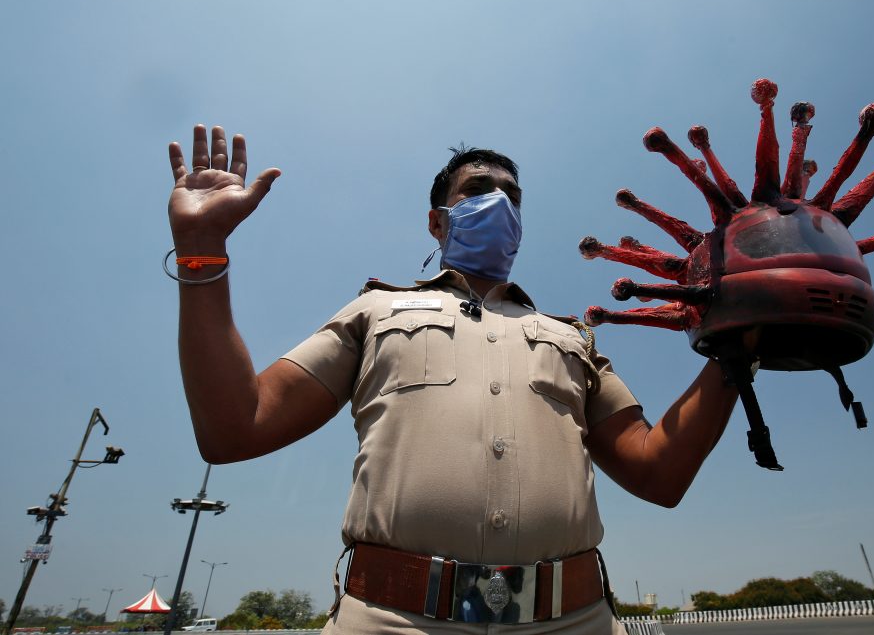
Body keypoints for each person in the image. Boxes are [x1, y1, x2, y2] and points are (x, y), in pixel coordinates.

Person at [166, 125, 742, 634]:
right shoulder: (374, 313)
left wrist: (736, 345)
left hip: (576, 621)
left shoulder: (574, 340)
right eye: (477, 191)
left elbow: (659, 472)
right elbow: (235, 430)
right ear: (438, 221)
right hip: (390, 622)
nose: (499, 203)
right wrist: (201, 251)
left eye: (512, 196)